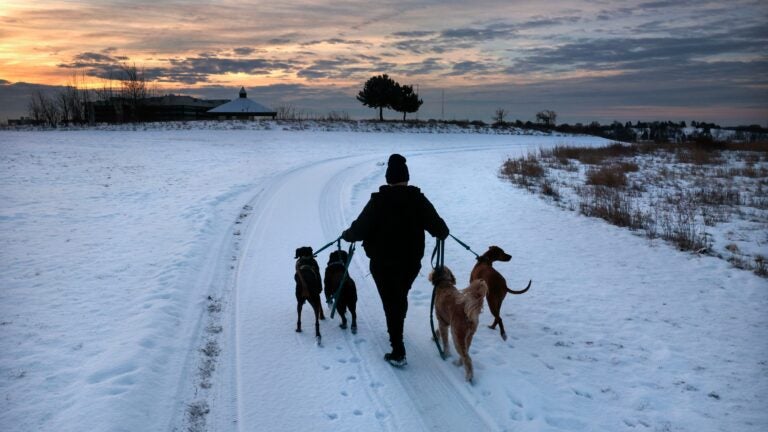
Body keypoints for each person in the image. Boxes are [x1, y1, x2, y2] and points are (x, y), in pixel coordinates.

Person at [342, 154, 449, 367]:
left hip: (382, 263)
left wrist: (347, 235)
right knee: (399, 297)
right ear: (406, 178)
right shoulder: (418, 200)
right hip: (410, 263)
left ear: (388, 179)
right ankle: (397, 329)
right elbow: (441, 230)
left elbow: (359, 230)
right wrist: (438, 230)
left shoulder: (378, 201)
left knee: (392, 301)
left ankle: (398, 349)